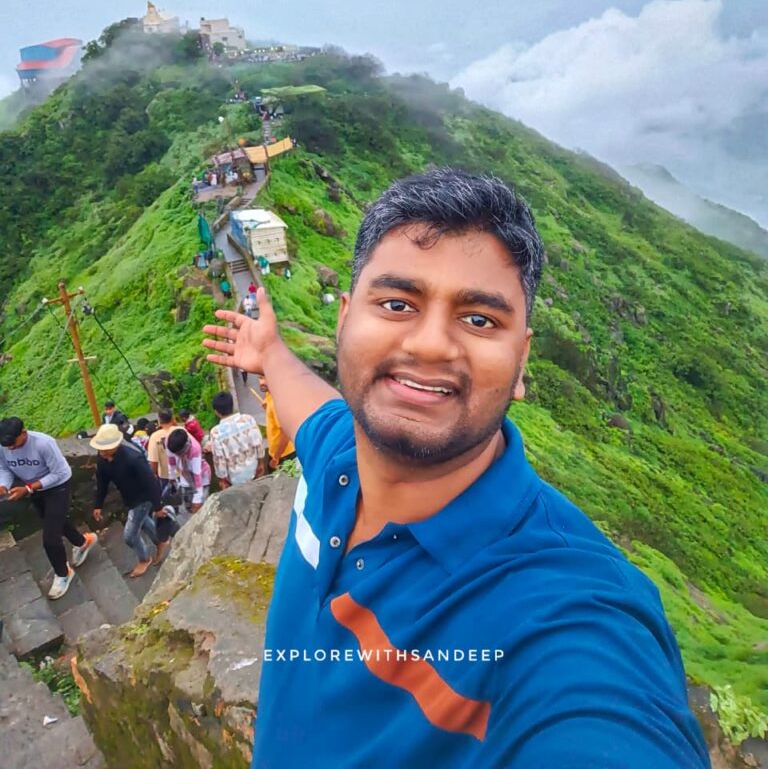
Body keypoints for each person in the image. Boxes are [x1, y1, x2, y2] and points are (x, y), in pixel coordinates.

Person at [202, 168, 709, 769]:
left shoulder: (567, 612)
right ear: (343, 320)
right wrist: (270, 354)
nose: (431, 344)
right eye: (396, 304)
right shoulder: (338, 453)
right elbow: (310, 401)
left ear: (521, 364)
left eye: (479, 320)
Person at [0, 416, 97, 599]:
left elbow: (60, 473)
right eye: (6, 445)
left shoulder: (43, 444)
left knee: (50, 538)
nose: (10, 448)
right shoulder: (4, 447)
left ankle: (63, 573)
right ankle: (83, 542)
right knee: (53, 520)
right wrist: (3, 485)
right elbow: (3, 468)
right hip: (34, 490)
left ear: (23, 433)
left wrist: (29, 488)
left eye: (13, 443)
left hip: (57, 487)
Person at [91, 424, 173, 576]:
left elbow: (150, 481)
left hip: (142, 499)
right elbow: (102, 481)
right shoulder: (103, 458)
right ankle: (161, 541)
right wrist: (98, 504)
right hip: (129, 497)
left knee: (130, 536)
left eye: (106, 448)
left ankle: (144, 559)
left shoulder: (133, 458)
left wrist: (157, 506)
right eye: (101, 449)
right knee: (143, 522)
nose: (102, 452)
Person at [207, 390, 265, 488]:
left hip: (234, 480)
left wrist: (222, 479)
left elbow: (219, 460)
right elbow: (258, 443)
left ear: (216, 411)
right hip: (254, 470)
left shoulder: (215, 433)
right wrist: (261, 463)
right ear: (232, 405)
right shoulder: (248, 419)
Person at [255, 375, 295, 469]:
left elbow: (286, 433)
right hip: (277, 451)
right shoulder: (271, 393)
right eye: (260, 377)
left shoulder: (276, 404)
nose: (262, 382)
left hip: (284, 454)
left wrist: (276, 458)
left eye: (266, 378)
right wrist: (267, 404)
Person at [166, 428, 211, 512]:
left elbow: (197, 476)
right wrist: (171, 477)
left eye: (179, 454)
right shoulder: (169, 442)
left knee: (202, 508)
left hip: (202, 478)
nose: (177, 456)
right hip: (185, 477)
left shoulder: (195, 449)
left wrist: (197, 499)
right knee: (189, 508)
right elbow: (171, 460)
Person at [147, 409, 174, 485]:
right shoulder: (180, 430)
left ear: (159, 420)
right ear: (172, 418)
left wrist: (153, 475)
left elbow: (153, 461)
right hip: (183, 472)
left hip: (165, 475)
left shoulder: (155, 436)